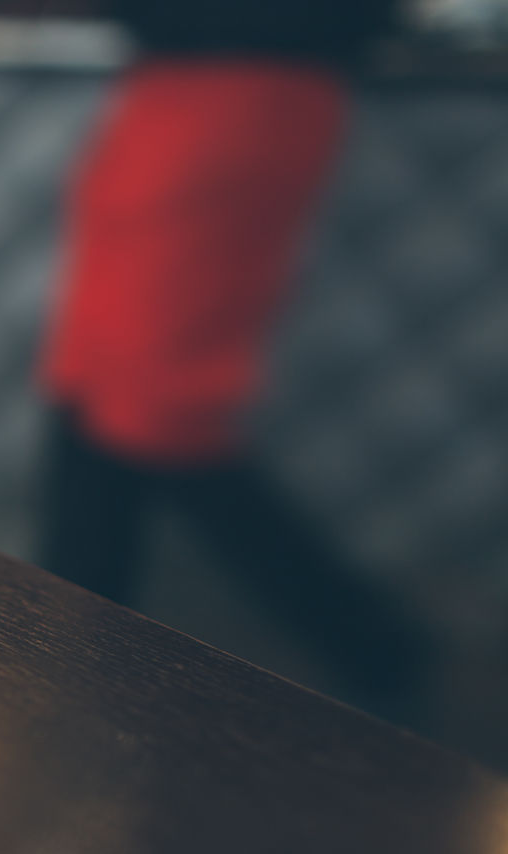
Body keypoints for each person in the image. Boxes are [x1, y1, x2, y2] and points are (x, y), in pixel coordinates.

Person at [37, 0, 425, 712]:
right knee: (86, 371)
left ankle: (373, 641)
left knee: (161, 406)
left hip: (245, 84)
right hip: (171, 84)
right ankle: (70, 623)